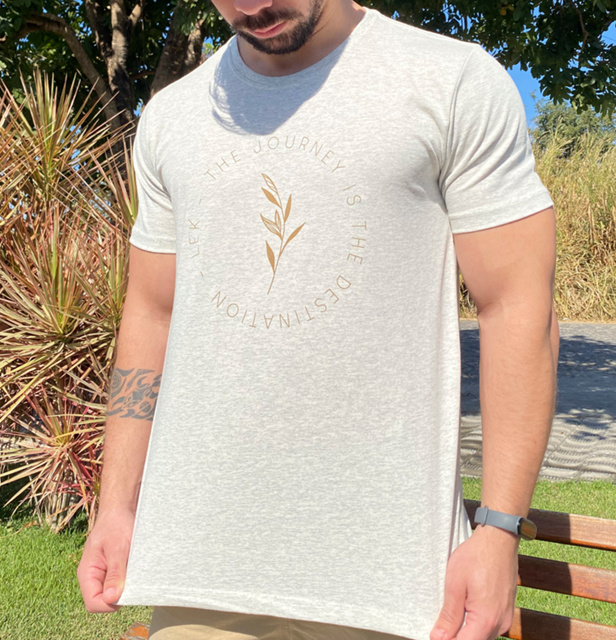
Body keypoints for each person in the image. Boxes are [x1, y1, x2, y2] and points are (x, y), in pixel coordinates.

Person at [77, 1, 560, 640]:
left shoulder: (450, 81)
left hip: (393, 590)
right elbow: (150, 312)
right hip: (199, 573)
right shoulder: (173, 116)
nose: (251, 5)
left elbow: (517, 307)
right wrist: (115, 505)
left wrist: (499, 529)